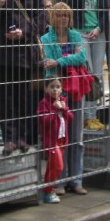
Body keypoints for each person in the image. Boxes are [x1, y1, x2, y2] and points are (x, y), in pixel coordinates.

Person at [0, 0, 46, 154]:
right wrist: (0, 4)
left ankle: (23, 137)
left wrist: (24, 32)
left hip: (26, 52)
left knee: (24, 97)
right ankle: (9, 138)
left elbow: (41, 18)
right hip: (4, 53)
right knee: (6, 98)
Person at [40, 2, 90, 195]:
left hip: (76, 89)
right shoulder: (46, 38)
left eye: (66, 16)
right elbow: (48, 63)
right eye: (59, 15)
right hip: (56, 91)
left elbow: (81, 58)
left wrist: (60, 61)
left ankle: (76, 180)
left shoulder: (76, 35)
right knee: (58, 138)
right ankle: (59, 181)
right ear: (53, 17)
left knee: (76, 137)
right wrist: (70, 58)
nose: (63, 19)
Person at [66, 0, 110, 130]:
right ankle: (85, 116)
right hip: (81, 34)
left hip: (98, 34)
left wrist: (99, 28)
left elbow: (107, 11)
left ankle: (93, 116)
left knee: (97, 75)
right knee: (86, 73)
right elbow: (70, 3)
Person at [36, 76, 72, 204]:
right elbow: (43, 120)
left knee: (51, 167)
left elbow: (70, 117)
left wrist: (63, 108)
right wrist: (55, 109)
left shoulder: (63, 101)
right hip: (51, 141)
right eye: (52, 87)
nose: (55, 90)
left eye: (58, 87)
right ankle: (48, 190)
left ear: (61, 89)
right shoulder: (44, 103)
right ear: (46, 88)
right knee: (59, 167)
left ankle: (47, 190)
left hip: (61, 139)